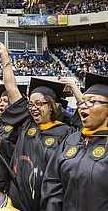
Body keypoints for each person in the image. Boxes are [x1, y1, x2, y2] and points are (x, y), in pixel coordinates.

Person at [0, 40, 74, 211]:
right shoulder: (27, 123)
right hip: (17, 200)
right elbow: (11, 88)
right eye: (31, 104)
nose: (33, 108)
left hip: (46, 204)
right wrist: (4, 56)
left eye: (39, 104)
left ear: (51, 106)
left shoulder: (65, 133)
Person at [40, 72, 108, 211]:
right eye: (82, 102)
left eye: (92, 101)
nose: (83, 106)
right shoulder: (71, 140)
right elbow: (52, 181)